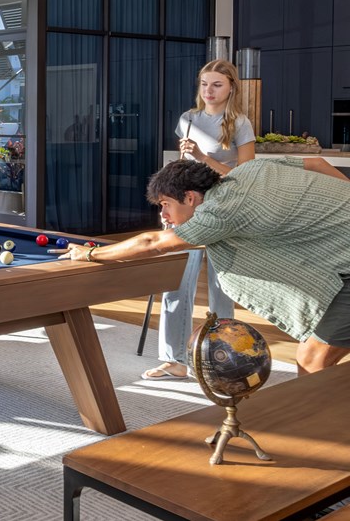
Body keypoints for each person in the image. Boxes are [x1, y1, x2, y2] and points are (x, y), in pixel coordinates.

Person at [59, 157, 350, 375]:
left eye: (165, 204)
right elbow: (315, 163)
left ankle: (320, 440)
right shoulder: (249, 169)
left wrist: (90, 254)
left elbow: (152, 243)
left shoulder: (218, 214)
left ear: (190, 197)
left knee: (313, 359)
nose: (164, 214)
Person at [142, 59, 255, 380]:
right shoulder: (188, 120)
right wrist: (169, 206)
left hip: (224, 210)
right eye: (204, 84)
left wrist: (204, 159)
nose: (209, 90)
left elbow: (246, 176)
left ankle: (223, 357)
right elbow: (180, 167)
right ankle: (174, 359)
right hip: (188, 209)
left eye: (217, 84)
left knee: (222, 288)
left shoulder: (240, 124)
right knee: (176, 282)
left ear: (231, 87)